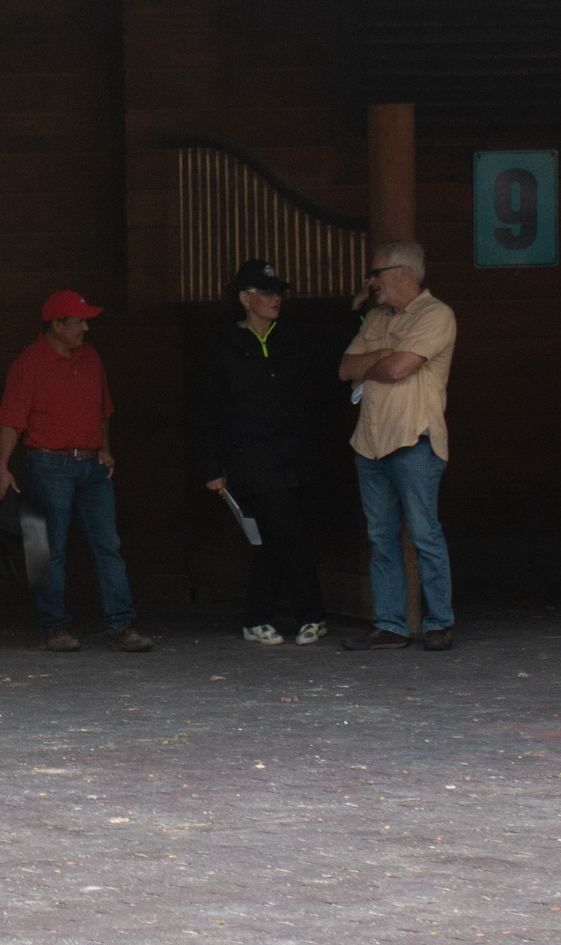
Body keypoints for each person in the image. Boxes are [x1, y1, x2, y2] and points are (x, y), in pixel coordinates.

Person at [0, 290, 154, 653]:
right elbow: (11, 422)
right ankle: (54, 627)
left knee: (108, 545)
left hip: (92, 465)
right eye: (79, 321)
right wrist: (2, 467)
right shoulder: (28, 364)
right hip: (49, 464)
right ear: (56, 325)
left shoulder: (91, 358)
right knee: (49, 549)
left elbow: (103, 411)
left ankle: (121, 625)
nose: (86, 327)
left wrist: (105, 449)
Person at [190, 259, 336, 646]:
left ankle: (255, 619)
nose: (276, 298)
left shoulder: (294, 339)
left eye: (278, 292)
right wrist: (210, 466)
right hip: (252, 461)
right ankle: (312, 614)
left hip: (297, 458)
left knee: (273, 537)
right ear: (244, 298)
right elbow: (205, 409)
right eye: (267, 292)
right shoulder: (223, 346)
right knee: (287, 531)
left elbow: (318, 393)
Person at [338, 240, 457, 651]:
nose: (370, 281)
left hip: (413, 439)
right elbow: (345, 369)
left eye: (376, 273)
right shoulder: (375, 317)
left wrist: (378, 361)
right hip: (369, 443)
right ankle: (390, 625)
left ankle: (440, 622)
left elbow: (397, 368)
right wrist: (385, 355)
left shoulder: (436, 314)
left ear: (402, 273)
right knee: (381, 538)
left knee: (424, 534)